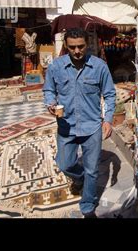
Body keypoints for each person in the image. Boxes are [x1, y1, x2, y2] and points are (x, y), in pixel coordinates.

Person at [43, 27, 116, 218]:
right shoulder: (56, 67)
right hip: (66, 126)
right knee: (65, 164)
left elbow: (109, 94)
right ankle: (78, 176)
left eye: (81, 47)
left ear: (87, 45)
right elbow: (48, 90)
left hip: (92, 128)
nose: (77, 51)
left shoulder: (99, 66)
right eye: (72, 47)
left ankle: (88, 207)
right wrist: (50, 103)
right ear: (66, 46)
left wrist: (108, 120)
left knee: (92, 171)